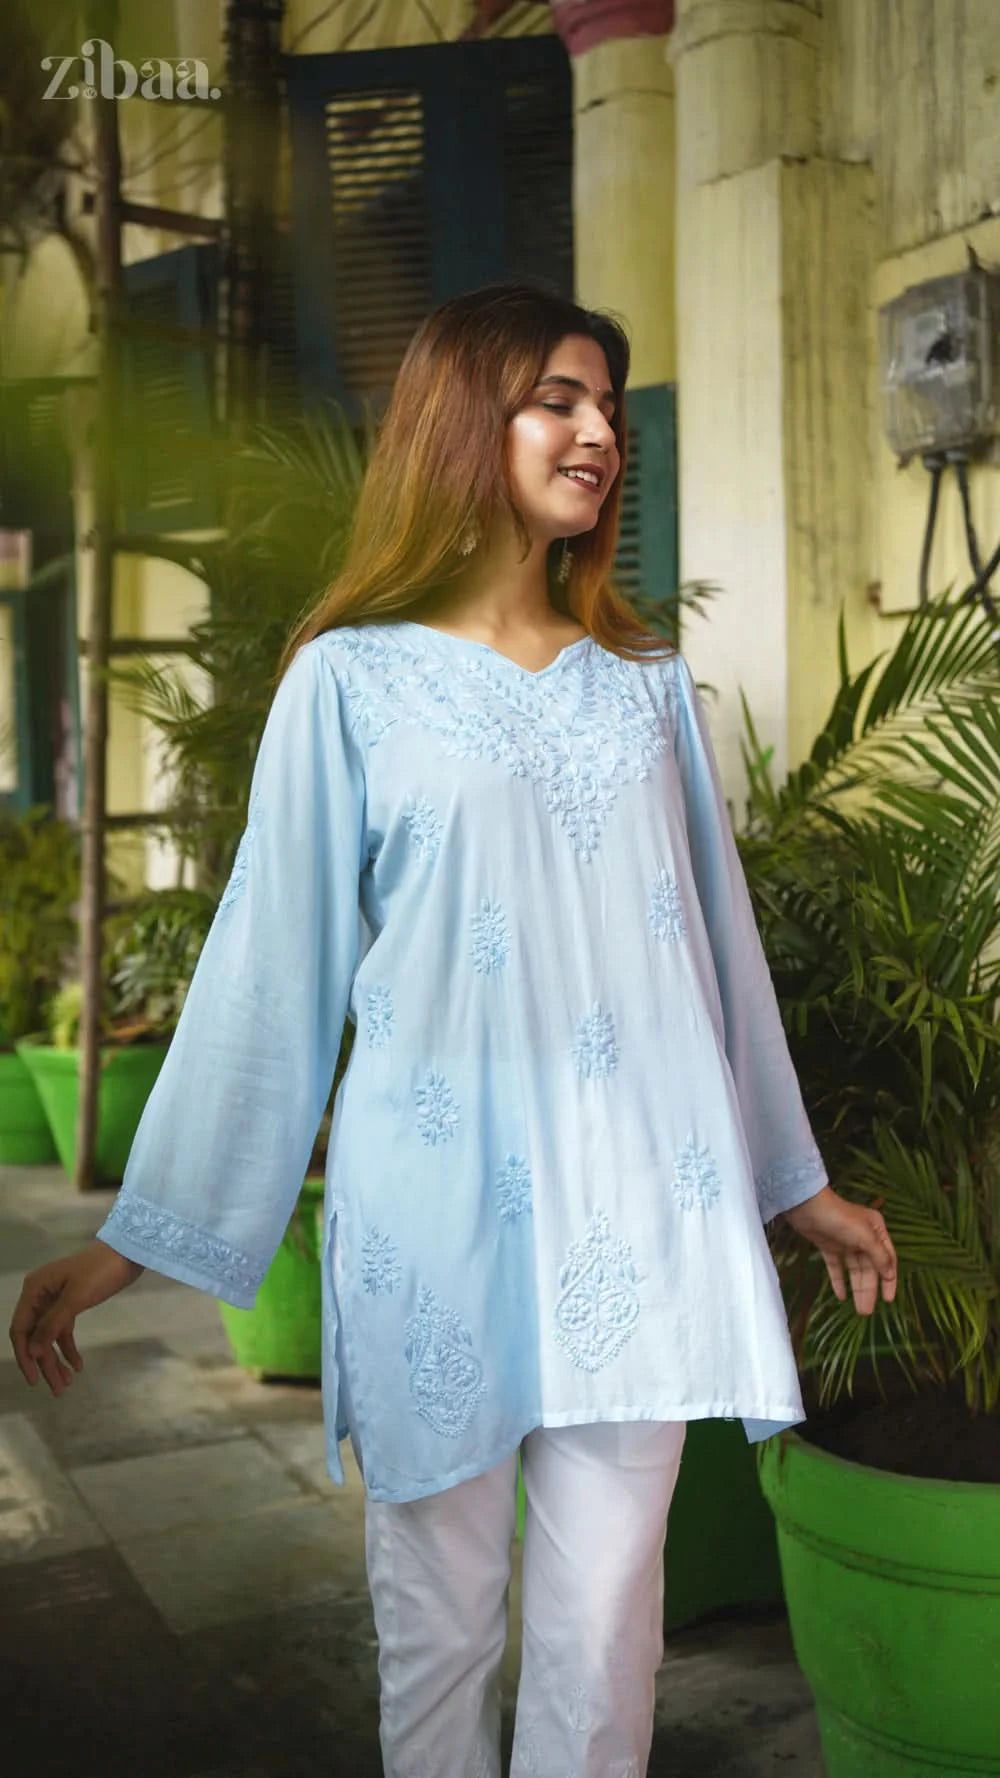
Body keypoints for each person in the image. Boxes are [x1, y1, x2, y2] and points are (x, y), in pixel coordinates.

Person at [10, 283, 897, 1778]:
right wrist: (133, 1239)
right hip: (435, 1218)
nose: (601, 430)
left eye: (607, 406)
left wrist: (792, 1184)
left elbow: (719, 963)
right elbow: (268, 972)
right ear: (461, 419)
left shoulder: (645, 692)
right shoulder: (349, 680)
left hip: (637, 1212)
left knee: (606, 1646)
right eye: (560, 398)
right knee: (437, 1640)